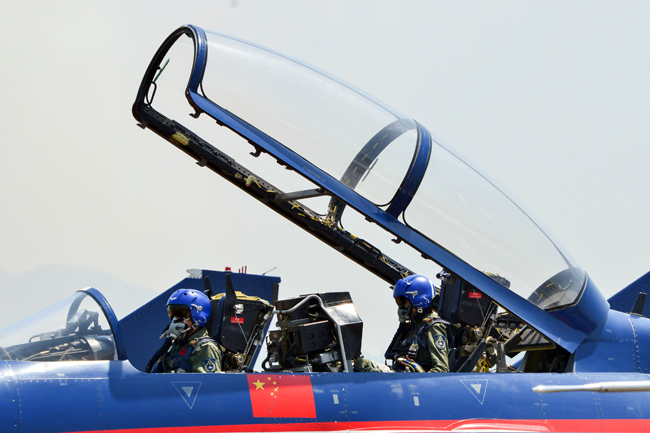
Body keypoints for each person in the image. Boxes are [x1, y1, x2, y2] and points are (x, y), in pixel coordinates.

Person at [354, 275, 450, 373]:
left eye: (404, 302)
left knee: (372, 373)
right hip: (401, 375)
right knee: (362, 364)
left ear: (418, 300)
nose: (402, 307)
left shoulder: (433, 326)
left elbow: (441, 370)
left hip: (412, 380)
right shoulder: (412, 327)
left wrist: (419, 380)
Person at [155, 289, 223, 373]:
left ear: (197, 315)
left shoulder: (205, 348)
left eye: (180, 313)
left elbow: (207, 381)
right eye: (172, 313)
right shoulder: (177, 346)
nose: (175, 318)